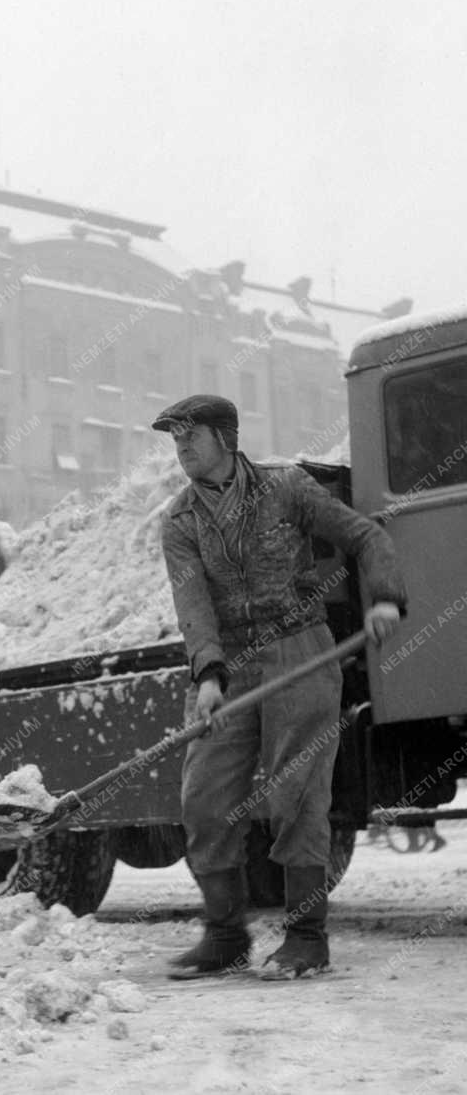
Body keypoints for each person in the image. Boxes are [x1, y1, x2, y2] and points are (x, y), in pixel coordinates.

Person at [153, 395, 406, 981]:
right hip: (232, 665)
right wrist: (210, 674)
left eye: (191, 435)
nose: (182, 447)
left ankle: (306, 937)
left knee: (298, 794)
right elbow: (192, 605)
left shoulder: (286, 489)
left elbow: (367, 537)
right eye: (175, 439)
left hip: (301, 649)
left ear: (226, 438)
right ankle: (223, 936)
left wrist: (386, 598)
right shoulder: (180, 521)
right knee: (204, 798)